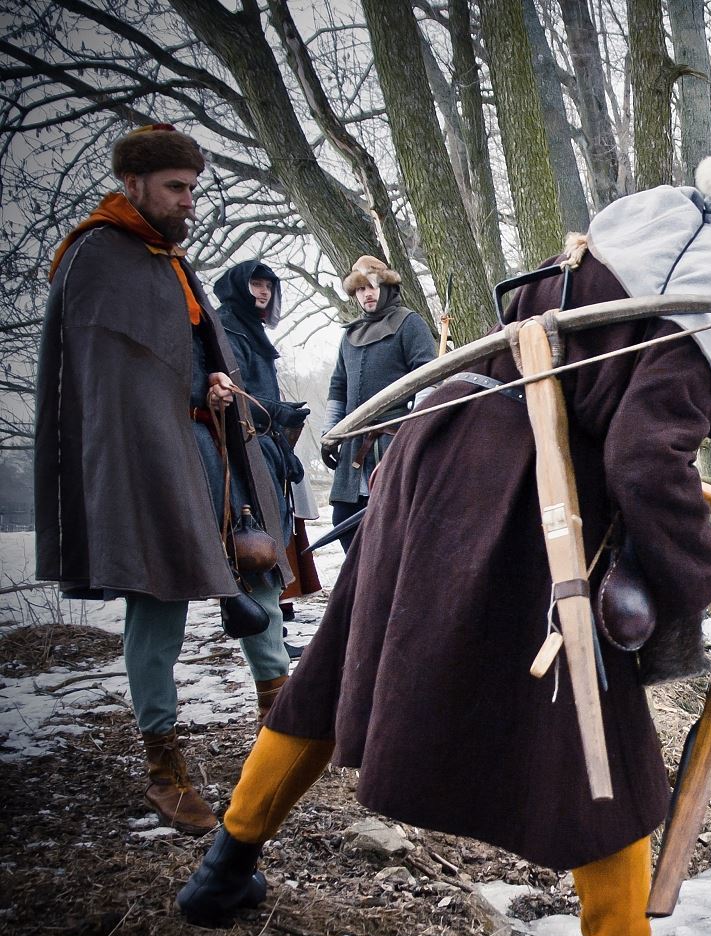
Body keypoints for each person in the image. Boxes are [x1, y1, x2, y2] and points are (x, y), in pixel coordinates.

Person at [176, 118, 711, 936]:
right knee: (599, 738)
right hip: (528, 502)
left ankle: (220, 872)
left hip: (438, 464)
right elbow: (650, 460)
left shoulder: (654, 232)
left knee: (331, 670)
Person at [35, 125, 294, 835]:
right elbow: (99, 379)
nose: (188, 201)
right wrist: (167, 408)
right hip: (146, 458)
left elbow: (185, 349)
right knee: (160, 598)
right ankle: (165, 767)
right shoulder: (95, 257)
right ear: (133, 184)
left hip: (209, 446)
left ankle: (286, 720)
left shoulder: (168, 261)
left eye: (192, 188)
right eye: (176, 187)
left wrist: (212, 380)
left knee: (259, 568)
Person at [212, 260, 320, 652]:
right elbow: (233, 396)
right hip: (243, 455)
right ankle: (268, 650)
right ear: (239, 287)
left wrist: (278, 410)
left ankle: (273, 642)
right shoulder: (226, 326)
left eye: (269, 286)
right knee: (254, 552)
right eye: (256, 284)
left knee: (270, 551)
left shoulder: (249, 327)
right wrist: (274, 411)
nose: (263, 292)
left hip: (263, 446)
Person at [319, 255, 435, 550]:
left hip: (394, 442)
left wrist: (413, 431)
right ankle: (361, 592)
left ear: (385, 286)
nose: (366, 294)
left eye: (371, 286)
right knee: (344, 522)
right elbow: (338, 387)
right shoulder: (350, 334)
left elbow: (429, 377)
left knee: (394, 526)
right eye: (359, 290)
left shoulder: (409, 324)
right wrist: (330, 435)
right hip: (354, 446)